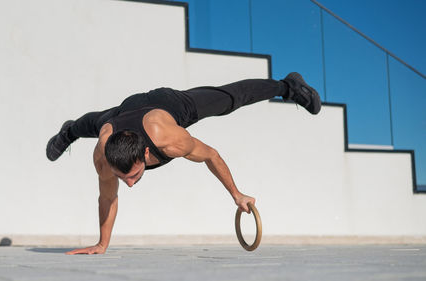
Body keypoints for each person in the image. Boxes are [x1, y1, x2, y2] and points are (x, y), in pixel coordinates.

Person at [46, 72, 321, 255]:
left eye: (133, 175)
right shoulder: (104, 157)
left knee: (230, 98)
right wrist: (102, 244)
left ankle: (288, 86)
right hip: (123, 112)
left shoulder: (170, 140)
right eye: (123, 178)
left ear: (144, 154)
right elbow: (107, 198)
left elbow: (211, 155)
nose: (129, 184)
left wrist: (236, 194)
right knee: (93, 124)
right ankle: (68, 131)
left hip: (169, 104)